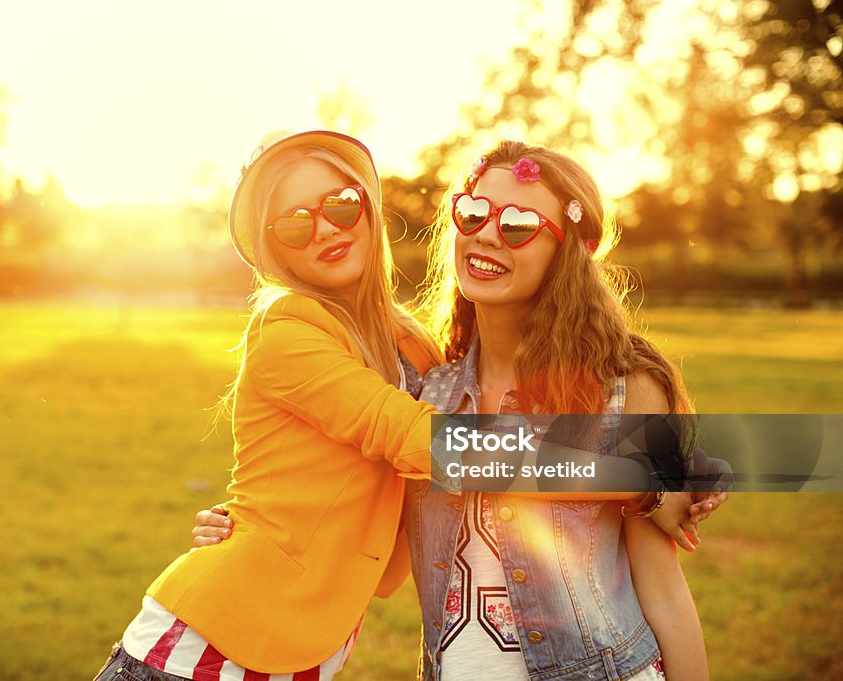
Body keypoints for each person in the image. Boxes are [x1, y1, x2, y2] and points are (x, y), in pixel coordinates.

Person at [194, 139, 728, 681]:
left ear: (566, 251)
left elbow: (663, 590)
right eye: (473, 213)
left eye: (519, 224)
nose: (488, 233)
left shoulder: (624, 386)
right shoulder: (431, 386)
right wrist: (252, 527)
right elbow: (380, 547)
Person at [93, 129, 445, 681]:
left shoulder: (414, 345)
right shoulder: (287, 330)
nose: (324, 228)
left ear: (367, 205)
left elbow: (391, 545)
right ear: (274, 246)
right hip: (199, 655)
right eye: (294, 223)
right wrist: (619, 459)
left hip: (301, 654)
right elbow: (409, 435)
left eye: (340, 204)